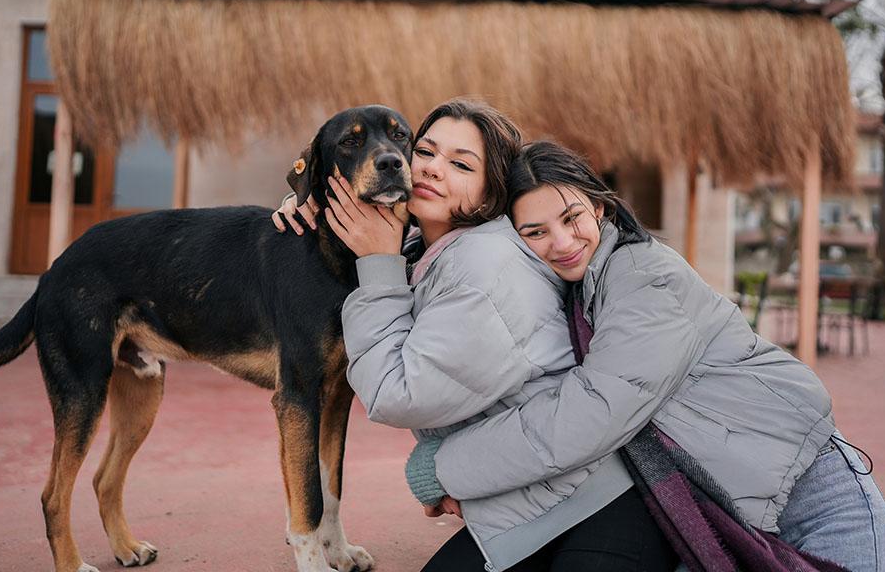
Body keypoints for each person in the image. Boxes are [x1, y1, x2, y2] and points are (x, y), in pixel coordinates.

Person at [403, 140, 885, 572]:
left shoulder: (642, 276)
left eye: (571, 217)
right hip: (718, 510)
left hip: (818, 502)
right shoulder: (576, 290)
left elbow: (590, 413)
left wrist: (442, 468)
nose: (561, 242)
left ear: (599, 207)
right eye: (534, 232)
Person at [274, 100, 678, 571]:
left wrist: (377, 265)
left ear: (489, 194)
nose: (430, 168)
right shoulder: (423, 250)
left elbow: (396, 395)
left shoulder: (484, 265)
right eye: (424, 151)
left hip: (595, 500)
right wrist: (307, 202)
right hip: (528, 499)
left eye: (462, 164)